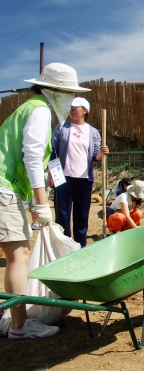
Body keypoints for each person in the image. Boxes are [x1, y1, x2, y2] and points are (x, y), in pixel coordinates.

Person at [0, 62, 89, 339]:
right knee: (19, 254)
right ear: (55, 91)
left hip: (7, 186)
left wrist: (47, 184)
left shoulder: (31, 108)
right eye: (67, 93)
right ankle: (20, 325)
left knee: (16, 252)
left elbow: (40, 159)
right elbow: (30, 157)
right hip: (4, 188)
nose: (70, 100)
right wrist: (42, 204)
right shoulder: (39, 110)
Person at [49, 97, 109, 247]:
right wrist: (52, 175)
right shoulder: (62, 127)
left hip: (84, 179)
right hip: (63, 178)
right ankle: (64, 247)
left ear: (85, 110)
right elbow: (53, 152)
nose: (72, 109)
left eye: (76, 107)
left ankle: (80, 247)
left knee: (81, 216)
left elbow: (95, 156)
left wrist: (102, 154)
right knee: (62, 215)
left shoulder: (93, 132)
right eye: (71, 107)